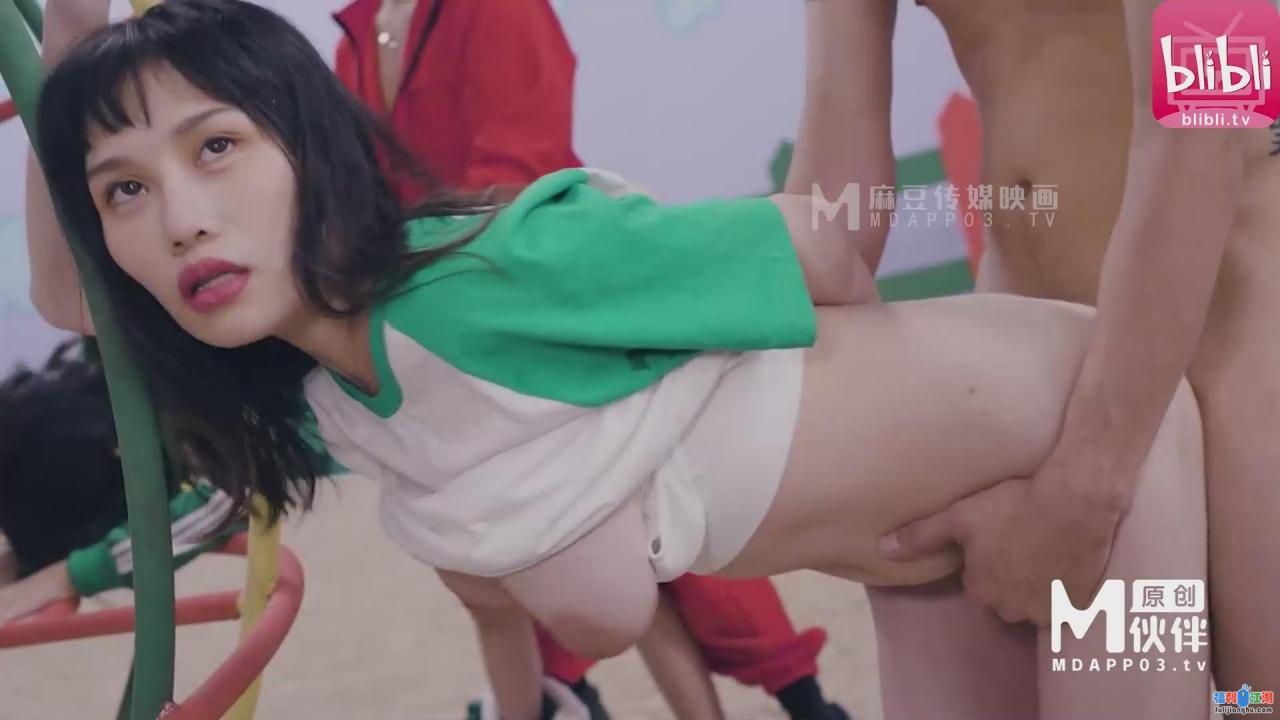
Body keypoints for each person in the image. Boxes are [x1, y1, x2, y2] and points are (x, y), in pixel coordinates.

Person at [23, 2, 1209, 719]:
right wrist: (73, 35)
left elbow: (820, 246)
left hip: (1106, 421)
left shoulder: (499, 264)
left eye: (216, 149)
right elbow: (76, 295)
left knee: (1239, 675)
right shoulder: (333, 392)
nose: (180, 220)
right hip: (916, 542)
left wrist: (822, 378)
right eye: (125, 191)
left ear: (313, 148)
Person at [331, 2, 846, 718]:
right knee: (567, 543)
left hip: (535, 298)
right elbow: (362, 199)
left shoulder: (494, 9)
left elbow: (521, 160)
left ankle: (803, 699)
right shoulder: (353, 39)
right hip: (450, 340)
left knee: (666, 512)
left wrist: (438, 295)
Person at [786, 0, 1278, 715]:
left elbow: (1205, 130)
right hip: (1037, 343)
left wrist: (1093, 474)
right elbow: (837, 188)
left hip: (1239, 327)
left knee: (1257, 700)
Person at [0, 340, 238, 626]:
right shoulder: (132, 349)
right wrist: (24, 558)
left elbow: (237, 494)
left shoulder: (241, 416)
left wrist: (73, 573)